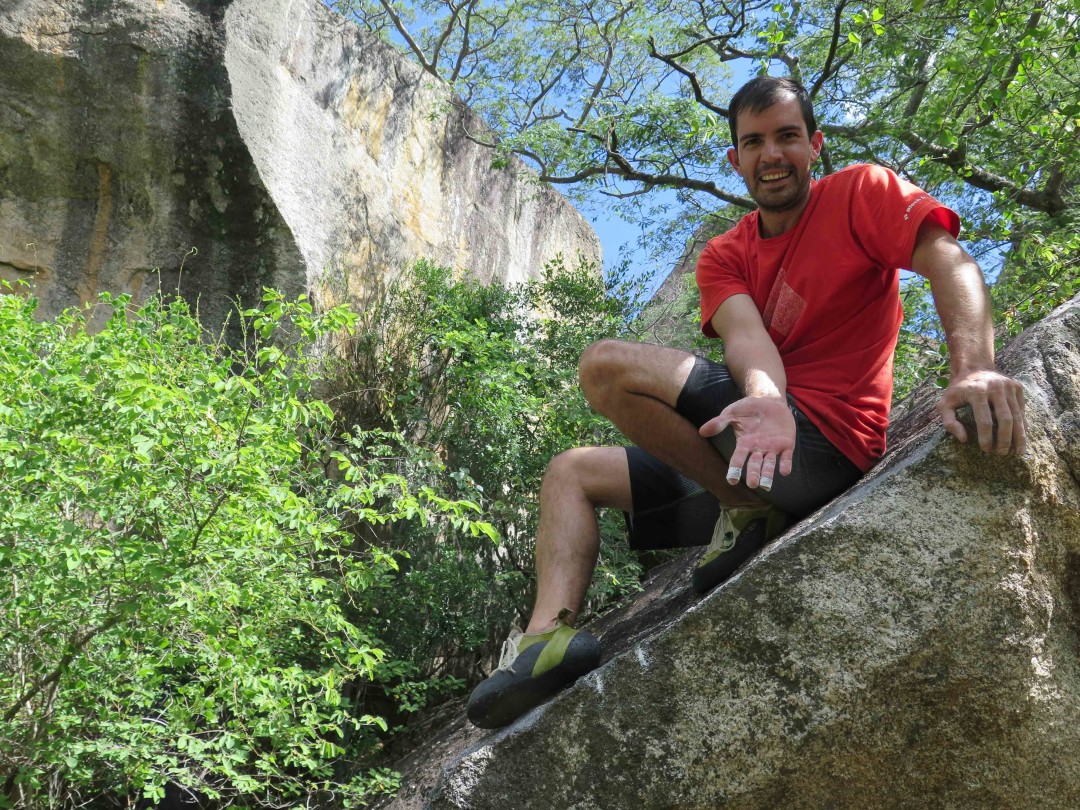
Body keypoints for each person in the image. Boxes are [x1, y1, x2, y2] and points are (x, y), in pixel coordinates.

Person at [465, 76, 1027, 730]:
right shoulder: (726, 255)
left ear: (815, 145)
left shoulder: (861, 193)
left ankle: (749, 506)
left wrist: (974, 370)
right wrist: (765, 398)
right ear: (736, 159)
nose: (772, 154)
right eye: (754, 142)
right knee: (571, 471)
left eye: (788, 136)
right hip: (750, 450)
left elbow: (949, 261)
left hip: (823, 450)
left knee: (606, 364)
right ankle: (545, 641)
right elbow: (746, 337)